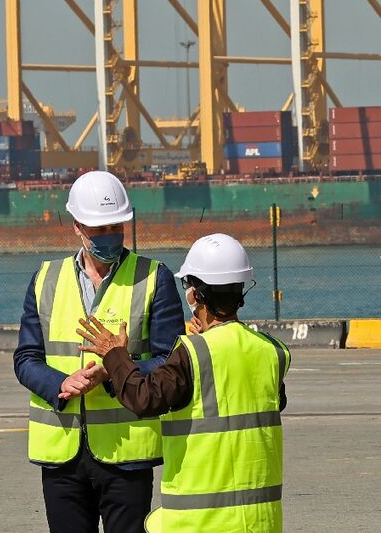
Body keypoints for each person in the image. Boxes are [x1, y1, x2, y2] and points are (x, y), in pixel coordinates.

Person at [76, 233, 290, 533]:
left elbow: (143, 398)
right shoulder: (272, 350)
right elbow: (265, 400)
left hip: (202, 522)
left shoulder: (192, 353)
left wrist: (114, 355)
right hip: (260, 522)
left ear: (195, 295)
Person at [14, 171, 185, 533]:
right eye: (99, 229)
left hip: (127, 455)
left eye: (115, 226)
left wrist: (115, 370)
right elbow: (26, 359)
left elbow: (171, 359)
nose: (109, 235)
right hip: (61, 453)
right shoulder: (45, 279)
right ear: (77, 226)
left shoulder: (155, 277)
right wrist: (63, 383)